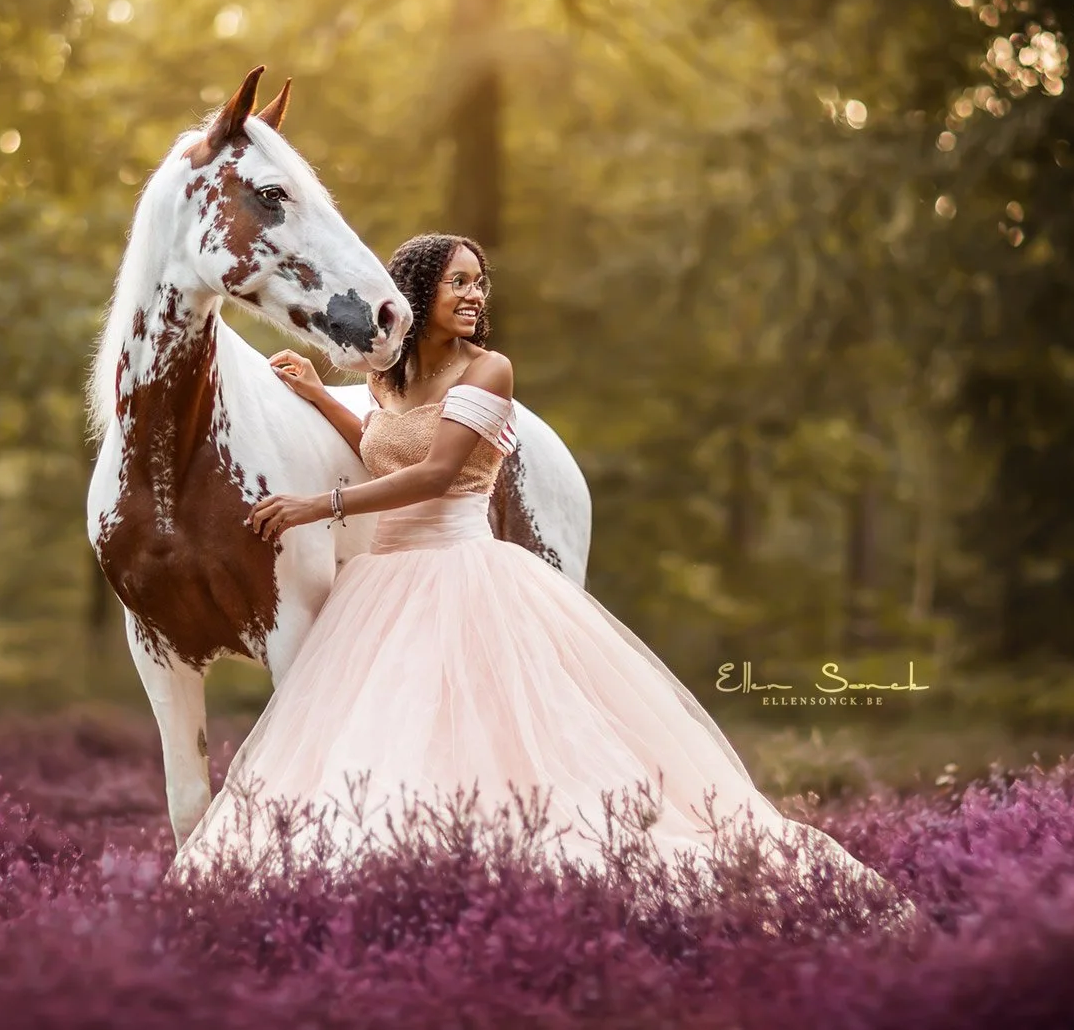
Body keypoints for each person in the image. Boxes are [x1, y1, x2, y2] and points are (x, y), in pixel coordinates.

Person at [169, 232, 913, 923]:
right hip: (383, 583)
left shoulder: (489, 370)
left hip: (464, 574)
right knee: (386, 745)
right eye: (458, 281)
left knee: (496, 740)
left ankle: (501, 877)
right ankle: (401, 881)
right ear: (417, 291)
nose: (475, 294)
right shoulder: (389, 375)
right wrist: (319, 395)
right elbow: (381, 442)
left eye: (480, 282)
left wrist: (315, 505)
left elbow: (434, 473)